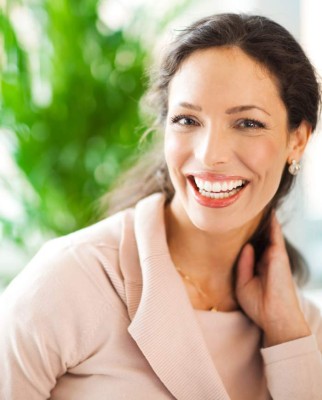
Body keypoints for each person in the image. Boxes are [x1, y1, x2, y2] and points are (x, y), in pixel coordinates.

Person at [0, 12, 322, 400]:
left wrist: (288, 335)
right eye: (187, 119)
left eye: (248, 123)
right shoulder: (72, 280)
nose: (210, 154)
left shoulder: (303, 329)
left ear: (298, 139)